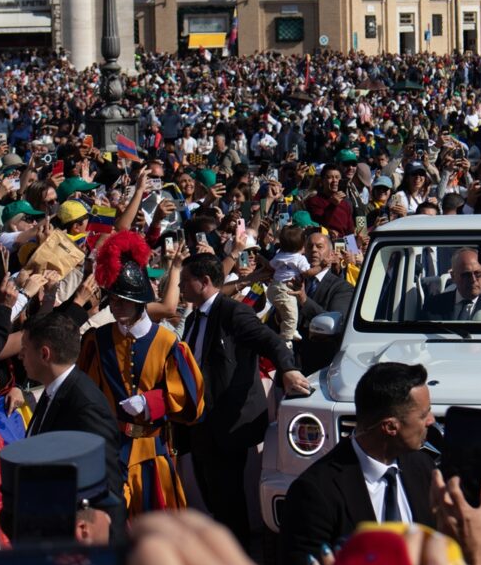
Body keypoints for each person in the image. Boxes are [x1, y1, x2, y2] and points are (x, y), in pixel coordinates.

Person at [175, 251, 310, 545]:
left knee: (228, 498)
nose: (179, 287)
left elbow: (270, 341)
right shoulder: (195, 317)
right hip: (200, 423)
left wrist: (288, 369)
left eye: (184, 281)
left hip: (227, 422)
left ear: (204, 282)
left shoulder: (232, 313)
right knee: (212, 494)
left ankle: (236, 555)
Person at [77, 231, 206, 515]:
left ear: (139, 302)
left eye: (123, 300)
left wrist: (151, 402)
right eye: (113, 299)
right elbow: (85, 393)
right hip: (109, 451)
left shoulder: (168, 343)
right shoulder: (96, 341)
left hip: (151, 450)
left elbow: (192, 401)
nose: (115, 306)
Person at [280, 362, 436, 565]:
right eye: (423, 415)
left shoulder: (422, 467)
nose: (431, 420)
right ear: (390, 427)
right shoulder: (315, 493)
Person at [20, 286, 125, 525]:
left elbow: (108, 490)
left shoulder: (85, 406)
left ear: (44, 354)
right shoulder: (53, 392)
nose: (20, 356)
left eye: (25, 350)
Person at [295, 232, 355, 374]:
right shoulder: (296, 280)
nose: (314, 250)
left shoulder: (342, 288)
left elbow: (334, 324)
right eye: (310, 247)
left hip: (320, 367)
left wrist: (304, 300)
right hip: (289, 364)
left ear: (332, 254)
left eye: (319, 246)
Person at [266, 226, 323, 347]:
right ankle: (286, 339)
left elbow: (270, 266)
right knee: (291, 314)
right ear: (302, 246)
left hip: (273, 288)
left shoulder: (279, 255)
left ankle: (291, 330)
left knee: (288, 313)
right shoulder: (299, 259)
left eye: (319, 247)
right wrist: (321, 267)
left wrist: (261, 259)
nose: (313, 250)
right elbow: (308, 273)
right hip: (285, 290)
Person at [421, 248, 481, 320]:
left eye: (478, 274)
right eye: (466, 275)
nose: (473, 280)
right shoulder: (433, 306)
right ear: (453, 276)